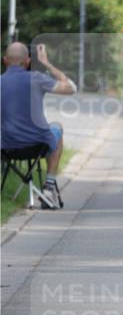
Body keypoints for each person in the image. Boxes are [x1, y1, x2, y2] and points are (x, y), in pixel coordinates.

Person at [1, 42, 76, 208]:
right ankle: (49, 186)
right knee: (57, 127)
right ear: (27, 61)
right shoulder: (37, 78)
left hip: (6, 147)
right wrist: (46, 63)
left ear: (5, 60)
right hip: (38, 145)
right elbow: (71, 88)